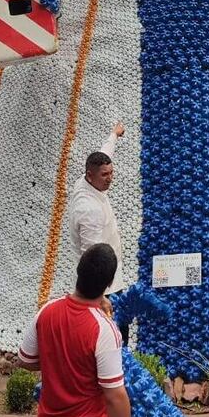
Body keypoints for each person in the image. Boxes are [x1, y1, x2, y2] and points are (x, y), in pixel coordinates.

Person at [18, 243, 130, 417]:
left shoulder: (46, 311)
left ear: (78, 270)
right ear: (109, 284)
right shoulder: (105, 330)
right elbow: (115, 397)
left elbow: (25, 360)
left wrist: (59, 363)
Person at [68, 125, 127, 338]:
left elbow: (105, 153)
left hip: (113, 272)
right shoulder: (88, 209)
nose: (110, 178)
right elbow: (90, 256)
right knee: (115, 333)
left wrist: (114, 134)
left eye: (111, 172)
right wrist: (102, 297)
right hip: (104, 284)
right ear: (90, 176)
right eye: (105, 175)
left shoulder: (87, 181)